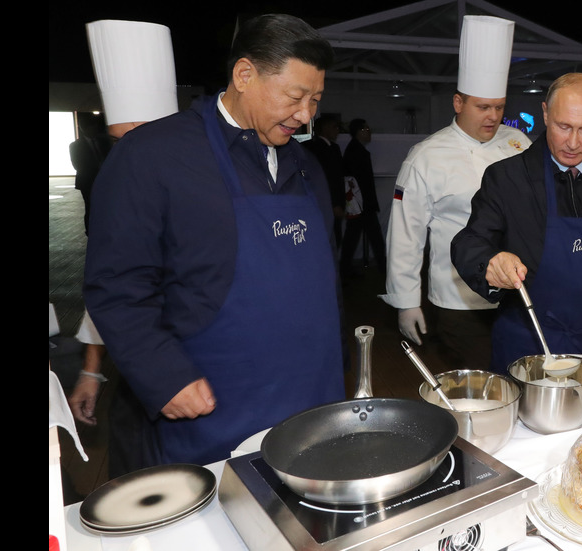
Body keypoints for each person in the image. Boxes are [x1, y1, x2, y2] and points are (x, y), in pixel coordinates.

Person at [83, 14, 346, 467]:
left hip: (311, 398)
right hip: (217, 406)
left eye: (316, 100)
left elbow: (327, 280)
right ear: (244, 75)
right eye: (295, 97)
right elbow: (117, 284)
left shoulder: (306, 166)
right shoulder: (153, 155)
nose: (306, 115)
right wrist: (162, 376)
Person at [451, 73, 582, 373]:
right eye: (563, 126)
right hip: (526, 347)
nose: (573, 143)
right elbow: (469, 242)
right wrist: (490, 260)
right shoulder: (507, 178)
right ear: (545, 114)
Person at [380, 16, 530, 371]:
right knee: (477, 387)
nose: (493, 116)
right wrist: (406, 301)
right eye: (483, 107)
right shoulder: (426, 156)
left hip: (517, 295)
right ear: (458, 102)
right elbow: (406, 234)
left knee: (520, 378)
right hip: (458, 302)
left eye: (499, 107)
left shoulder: (519, 143)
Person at [69, 19, 182, 478]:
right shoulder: (120, 186)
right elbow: (114, 283)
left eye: (140, 138)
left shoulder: (205, 182)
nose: (129, 153)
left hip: (203, 371)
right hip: (142, 376)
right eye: (119, 141)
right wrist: (92, 370)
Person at [339, 118, 386, 276]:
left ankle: (345, 268)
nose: (369, 132)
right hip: (362, 203)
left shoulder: (355, 149)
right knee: (372, 237)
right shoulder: (356, 151)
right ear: (358, 132)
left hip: (360, 203)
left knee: (354, 236)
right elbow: (361, 182)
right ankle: (383, 268)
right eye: (366, 130)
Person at [303, 114, 346, 246]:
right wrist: (335, 203)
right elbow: (330, 178)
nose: (337, 130)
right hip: (325, 201)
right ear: (325, 128)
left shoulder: (331, 147)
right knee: (330, 238)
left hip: (323, 201)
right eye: (334, 127)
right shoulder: (319, 149)